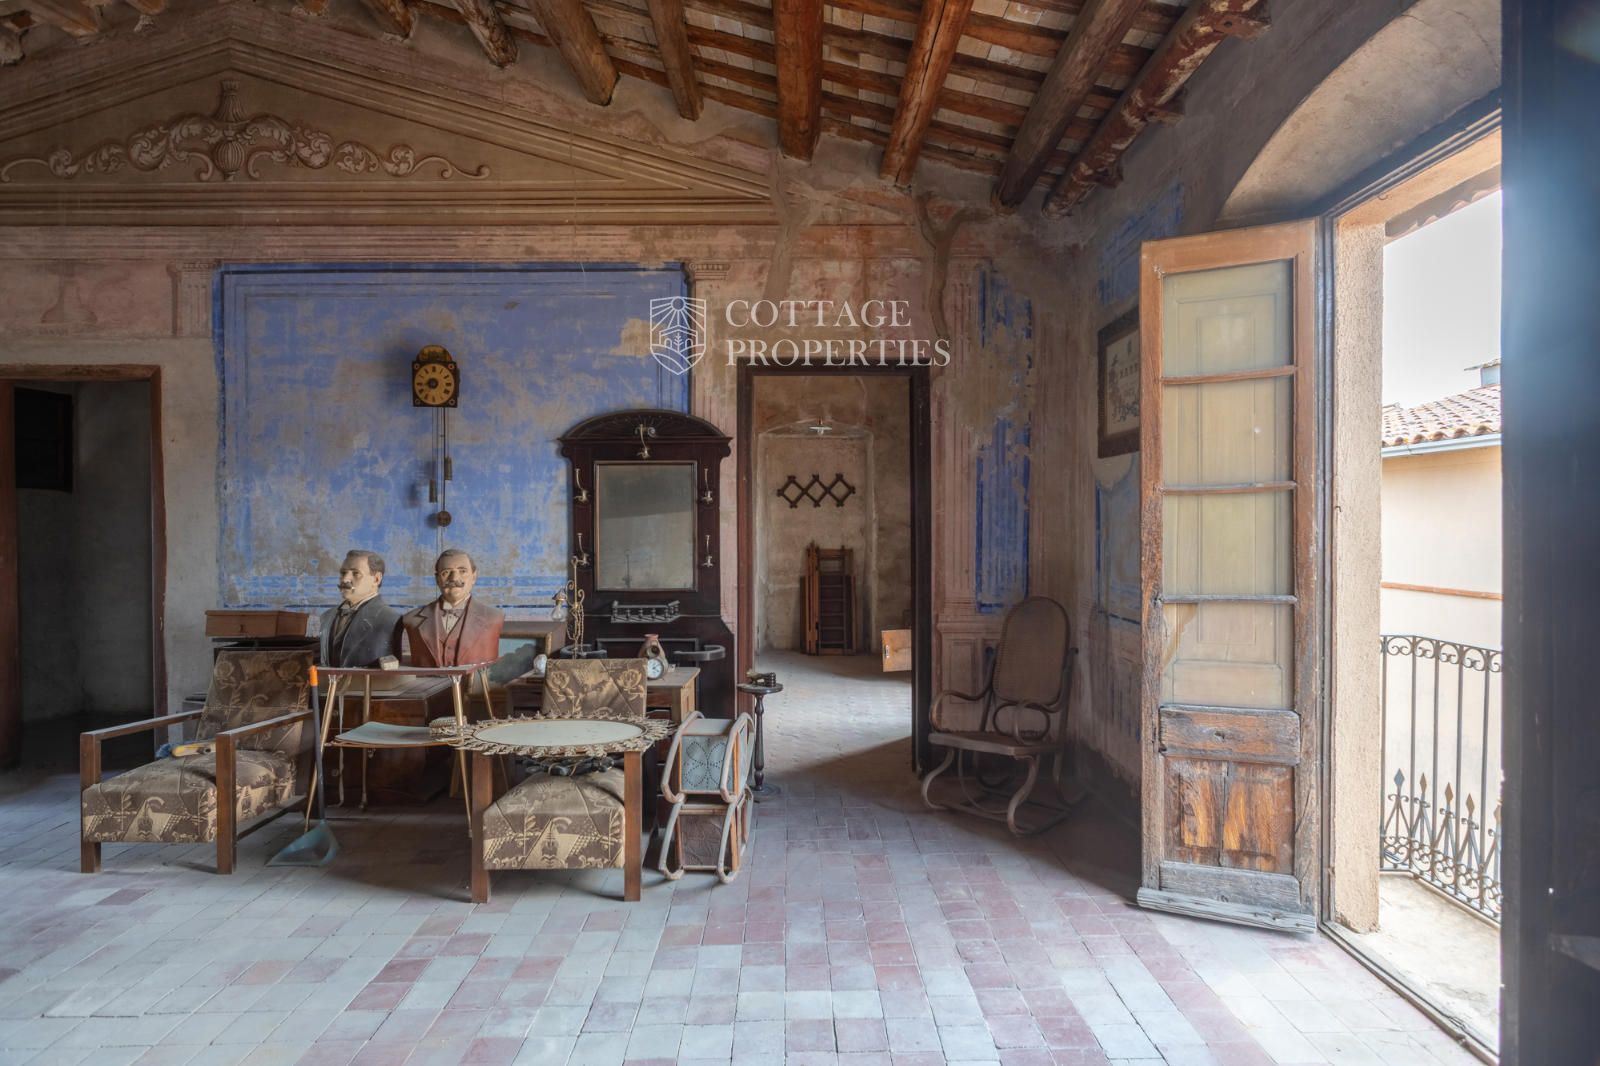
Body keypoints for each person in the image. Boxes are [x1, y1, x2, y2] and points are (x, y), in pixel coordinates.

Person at [400, 548, 504, 667]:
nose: (454, 578)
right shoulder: (412, 619)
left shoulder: (494, 617)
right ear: (437, 579)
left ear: (474, 577)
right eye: (446, 572)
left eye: (462, 571)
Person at [320, 550, 401, 668]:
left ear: (376, 579)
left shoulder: (391, 619)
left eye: (356, 573)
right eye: (343, 573)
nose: (345, 579)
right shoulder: (326, 617)